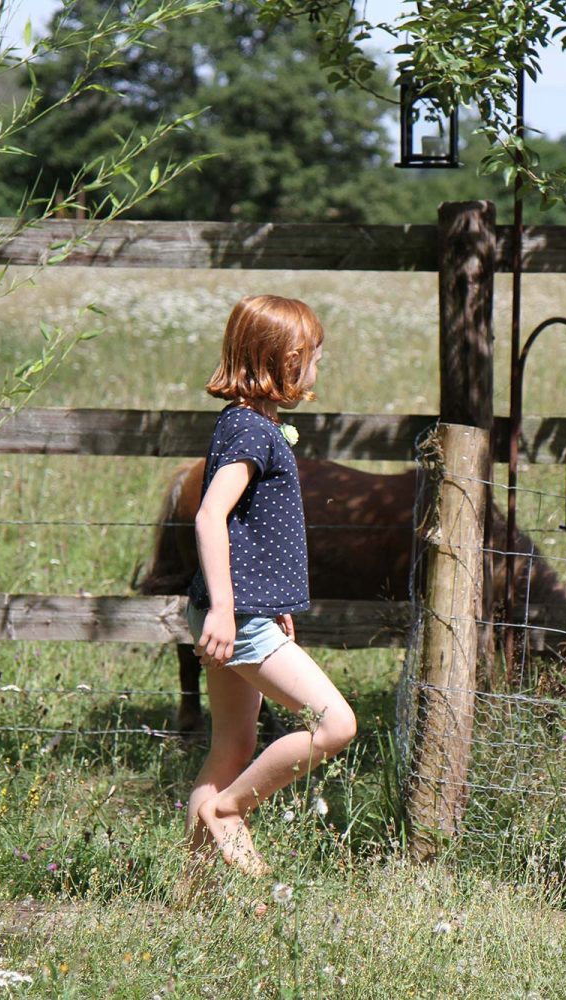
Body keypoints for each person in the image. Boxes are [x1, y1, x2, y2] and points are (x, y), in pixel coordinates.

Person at [184, 294, 356, 876]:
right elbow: (211, 515)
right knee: (336, 723)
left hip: (245, 610)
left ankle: (195, 895)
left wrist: (271, 603)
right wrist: (228, 612)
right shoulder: (251, 431)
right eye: (314, 357)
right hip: (236, 618)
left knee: (230, 746)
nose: (317, 369)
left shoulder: (250, 425)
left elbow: (250, 527)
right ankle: (229, 812)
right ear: (287, 360)